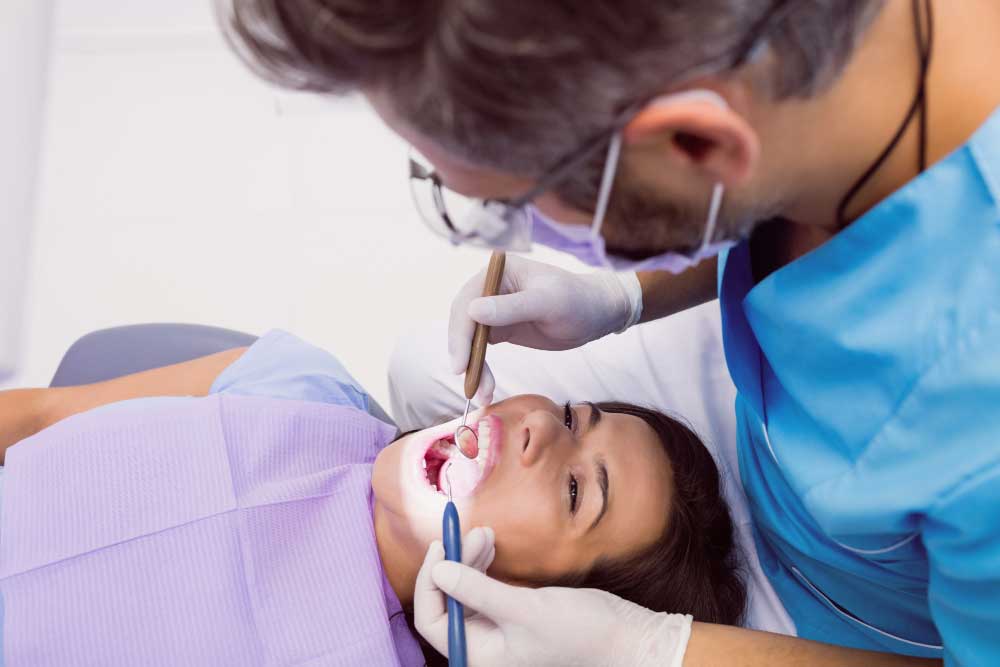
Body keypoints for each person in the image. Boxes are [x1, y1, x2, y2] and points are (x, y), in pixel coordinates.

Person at [217, 0, 1000, 665]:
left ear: (697, 143)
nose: (519, 232)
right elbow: (770, 185)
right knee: (426, 362)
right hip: (763, 429)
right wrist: (625, 293)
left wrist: (655, 647)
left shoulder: (974, 423)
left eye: (508, 203)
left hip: (848, 612)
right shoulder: (837, 72)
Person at [0, 330, 748, 665]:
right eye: (573, 416)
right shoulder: (298, 381)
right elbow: (31, 416)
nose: (537, 431)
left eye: (578, 489)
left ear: (544, 611)